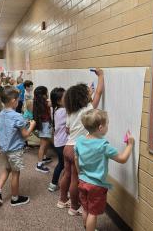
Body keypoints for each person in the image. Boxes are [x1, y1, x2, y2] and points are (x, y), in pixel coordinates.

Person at [75, 109, 134, 231]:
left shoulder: (80, 141)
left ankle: (87, 227)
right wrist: (130, 145)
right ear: (100, 127)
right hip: (96, 185)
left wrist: (79, 173)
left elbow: (76, 158)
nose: (108, 126)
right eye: (107, 124)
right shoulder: (103, 146)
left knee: (85, 208)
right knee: (93, 213)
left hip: (82, 181)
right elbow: (122, 159)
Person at [58, 68, 104, 216]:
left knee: (66, 174)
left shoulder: (71, 112)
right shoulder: (88, 110)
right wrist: (101, 76)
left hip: (67, 147)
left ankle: (62, 200)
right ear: (83, 98)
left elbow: (67, 130)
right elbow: (98, 93)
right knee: (75, 179)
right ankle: (73, 207)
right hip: (78, 149)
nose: (90, 94)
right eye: (87, 93)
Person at [0, 86, 36, 206]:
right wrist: (32, 125)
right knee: (16, 173)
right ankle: (15, 198)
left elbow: (9, 128)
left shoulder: (0, 114)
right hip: (15, 150)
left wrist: (23, 123)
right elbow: (25, 135)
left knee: (6, 169)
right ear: (13, 101)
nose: (18, 101)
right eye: (18, 99)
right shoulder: (17, 116)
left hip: (4, 149)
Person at [48, 87, 68, 192]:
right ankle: (59, 184)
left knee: (61, 164)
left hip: (58, 142)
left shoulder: (56, 109)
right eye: (66, 97)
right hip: (62, 144)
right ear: (59, 101)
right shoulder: (63, 111)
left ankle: (53, 183)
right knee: (64, 165)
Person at [33, 86, 52, 173]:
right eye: (47, 92)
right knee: (43, 145)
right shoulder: (45, 103)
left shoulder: (38, 102)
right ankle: (39, 165)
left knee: (46, 142)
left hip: (44, 125)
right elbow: (54, 103)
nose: (48, 94)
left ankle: (43, 158)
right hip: (45, 125)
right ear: (43, 95)